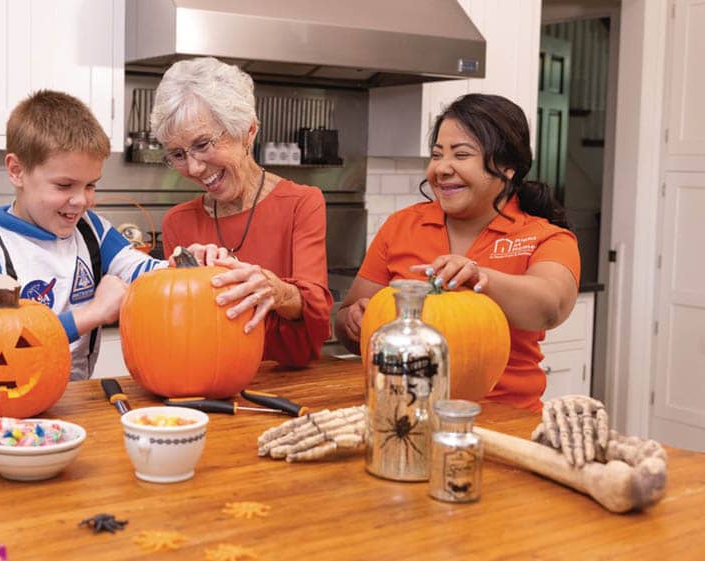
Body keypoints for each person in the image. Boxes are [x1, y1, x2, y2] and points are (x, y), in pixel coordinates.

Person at [335, 94, 580, 412]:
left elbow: (551, 306)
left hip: (506, 419)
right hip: (404, 412)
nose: (442, 168)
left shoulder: (544, 237)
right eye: (437, 155)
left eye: (461, 155)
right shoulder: (402, 225)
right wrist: (353, 323)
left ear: (507, 168)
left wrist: (481, 278)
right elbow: (346, 319)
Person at [0, 90, 168, 380]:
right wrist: (92, 314)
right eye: (65, 185)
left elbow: (147, 273)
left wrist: (190, 266)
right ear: (17, 171)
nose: (82, 201)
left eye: (91, 185)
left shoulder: (93, 231)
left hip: (77, 403)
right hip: (7, 405)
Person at [153, 57, 333, 368]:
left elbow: (315, 319)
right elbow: (180, 330)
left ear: (248, 131)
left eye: (203, 144)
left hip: (286, 385)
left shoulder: (302, 203)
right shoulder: (178, 223)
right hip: (207, 387)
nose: (194, 168)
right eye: (178, 154)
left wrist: (275, 290)